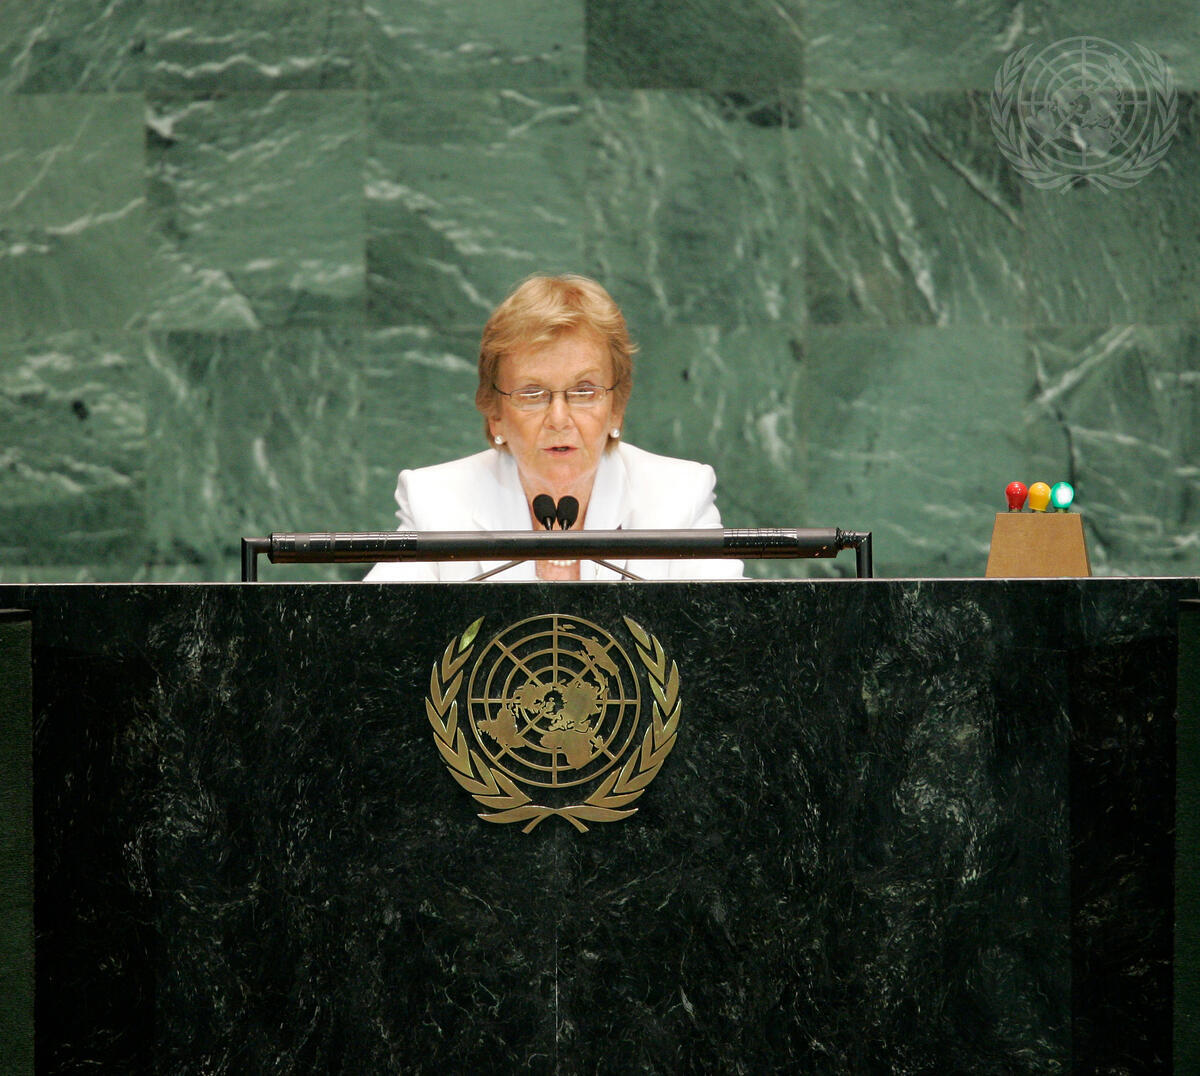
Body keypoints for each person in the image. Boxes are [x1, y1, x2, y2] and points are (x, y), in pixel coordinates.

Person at [364, 274, 743, 581]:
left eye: (584, 391)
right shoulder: (435, 502)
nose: (559, 418)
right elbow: (377, 633)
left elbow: (730, 631)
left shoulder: (679, 497)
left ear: (616, 408)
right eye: (532, 394)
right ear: (495, 413)